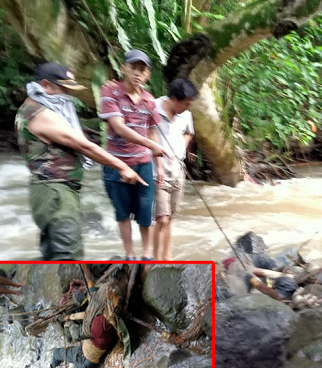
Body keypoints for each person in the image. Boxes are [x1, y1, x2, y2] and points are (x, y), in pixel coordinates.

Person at [16, 62, 146, 260]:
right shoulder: (40, 114)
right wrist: (122, 166)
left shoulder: (34, 108)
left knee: (53, 256)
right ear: (45, 85)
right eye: (64, 89)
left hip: (51, 191)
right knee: (68, 257)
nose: (69, 95)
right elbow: (85, 146)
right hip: (56, 194)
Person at [100, 49, 166, 260]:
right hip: (116, 163)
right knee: (122, 212)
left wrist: (160, 166)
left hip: (143, 163)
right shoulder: (110, 93)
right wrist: (148, 144)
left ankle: (146, 255)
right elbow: (119, 128)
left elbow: (153, 131)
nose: (137, 73)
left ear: (147, 75)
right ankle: (129, 254)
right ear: (123, 68)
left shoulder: (149, 101)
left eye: (142, 70)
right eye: (133, 68)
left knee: (146, 212)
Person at [50, 267, 130, 368]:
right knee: (56, 354)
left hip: (86, 365)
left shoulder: (101, 324)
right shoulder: (104, 298)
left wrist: (68, 322)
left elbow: (76, 335)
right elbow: (93, 292)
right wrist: (87, 273)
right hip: (81, 350)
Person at [153, 78, 199, 260]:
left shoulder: (185, 114)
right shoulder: (154, 108)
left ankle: (167, 257)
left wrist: (182, 146)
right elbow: (145, 134)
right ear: (173, 99)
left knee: (171, 217)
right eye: (186, 104)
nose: (188, 108)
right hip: (158, 171)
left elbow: (189, 132)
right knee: (161, 218)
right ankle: (154, 260)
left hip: (177, 170)